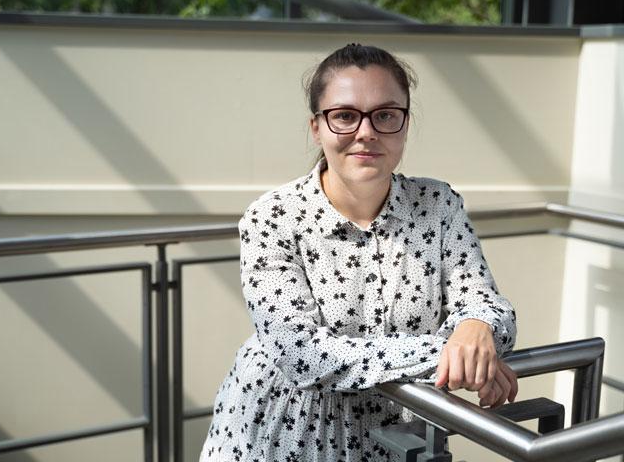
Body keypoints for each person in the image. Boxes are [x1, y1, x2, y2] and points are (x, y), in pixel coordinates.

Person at [200, 44, 518, 462]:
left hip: (400, 436)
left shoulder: (438, 204)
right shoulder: (272, 217)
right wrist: (451, 355)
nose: (366, 132)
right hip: (281, 438)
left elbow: (491, 309)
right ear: (317, 127)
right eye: (345, 116)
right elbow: (305, 354)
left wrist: (477, 326)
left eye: (385, 114)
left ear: (405, 124)